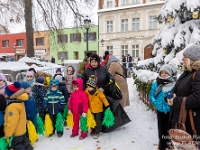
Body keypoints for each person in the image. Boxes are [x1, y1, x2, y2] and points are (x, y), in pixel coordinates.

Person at [167, 45, 200, 147]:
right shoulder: (187, 73)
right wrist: (170, 97)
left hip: (193, 124)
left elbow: (197, 99)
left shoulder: (198, 74)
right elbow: (178, 90)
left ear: (192, 59)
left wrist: (175, 101)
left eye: (185, 56)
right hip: (182, 120)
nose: (182, 58)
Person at [149, 64, 177, 150]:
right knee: (161, 128)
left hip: (170, 110)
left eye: (166, 73)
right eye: (162, 73)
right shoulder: (156, 83)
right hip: (160, 110)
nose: (164, 74)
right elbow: (151, 94)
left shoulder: (174, 84)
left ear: (171, 74)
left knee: (170, 128)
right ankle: (162, 145)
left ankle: (170, 143)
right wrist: (155, 102)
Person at [4, 82, 33, 150]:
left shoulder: (12, 106)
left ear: (10, 94)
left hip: (16, 133)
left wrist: (8, 133)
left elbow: (12, 122)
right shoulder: (20, 102)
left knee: (18, 146)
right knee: (25, 144)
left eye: (6, 93)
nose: (4, 95)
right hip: (22, 130)